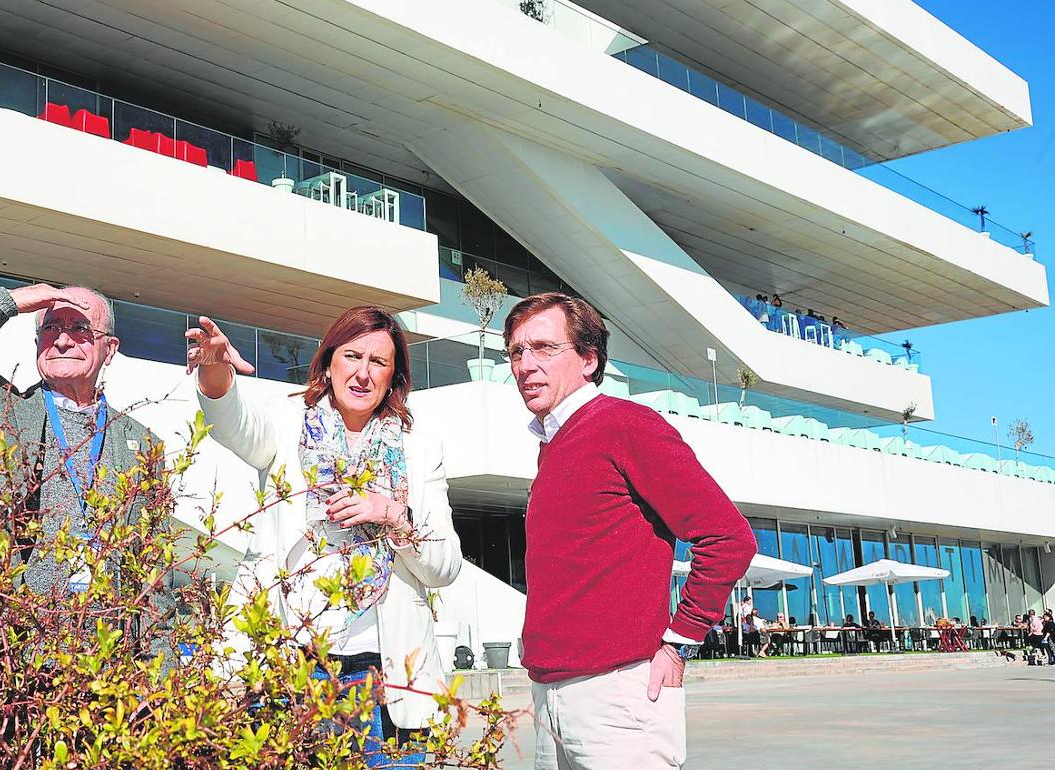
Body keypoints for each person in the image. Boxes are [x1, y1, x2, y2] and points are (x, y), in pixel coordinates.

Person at [188, 306, 462, 764]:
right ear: (329, 361)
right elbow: (234, 423)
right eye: (352, 356)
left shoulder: (418, 448)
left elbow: (444, 567)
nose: (362, 373)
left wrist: (393, 513)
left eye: (378, 362)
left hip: (385, 672)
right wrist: (214, 370)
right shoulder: (288, 420)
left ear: (395, 376)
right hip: (293, 664)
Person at [501, 292, 755, 769]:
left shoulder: (625, 425)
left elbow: (728, 538)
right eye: (516, 352)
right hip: (549, 693)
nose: (525, 364)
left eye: (544, 348)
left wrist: (680, 643)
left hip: (617, 695)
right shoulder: (552, 445)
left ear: (588, 359)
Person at [0, 284, 168, 624]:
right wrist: (5, 304)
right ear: (37, 343)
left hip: (103, 659)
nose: (62, 340)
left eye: (79, 328)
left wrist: (158, 671)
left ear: (109, 349)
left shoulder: (142, 445)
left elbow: (155, 576)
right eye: (50, 328)